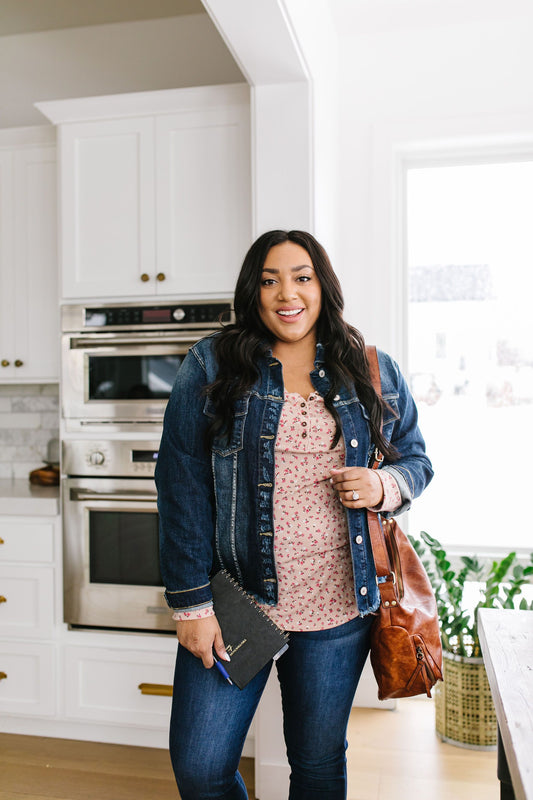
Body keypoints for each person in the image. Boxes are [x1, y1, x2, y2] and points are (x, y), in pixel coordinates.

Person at [155, 229, 433, 800]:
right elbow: (180, 483)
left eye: (302, 276)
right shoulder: (210, 364)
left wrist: (382, 484)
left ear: (322, 287)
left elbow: (418, 462)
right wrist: (191, 605)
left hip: (338, 606)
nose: (288, 293)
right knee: (201, 767)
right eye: (270, 279)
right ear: (253, 292)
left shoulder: (371, 367)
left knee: (317, 763)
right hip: (237, 600)